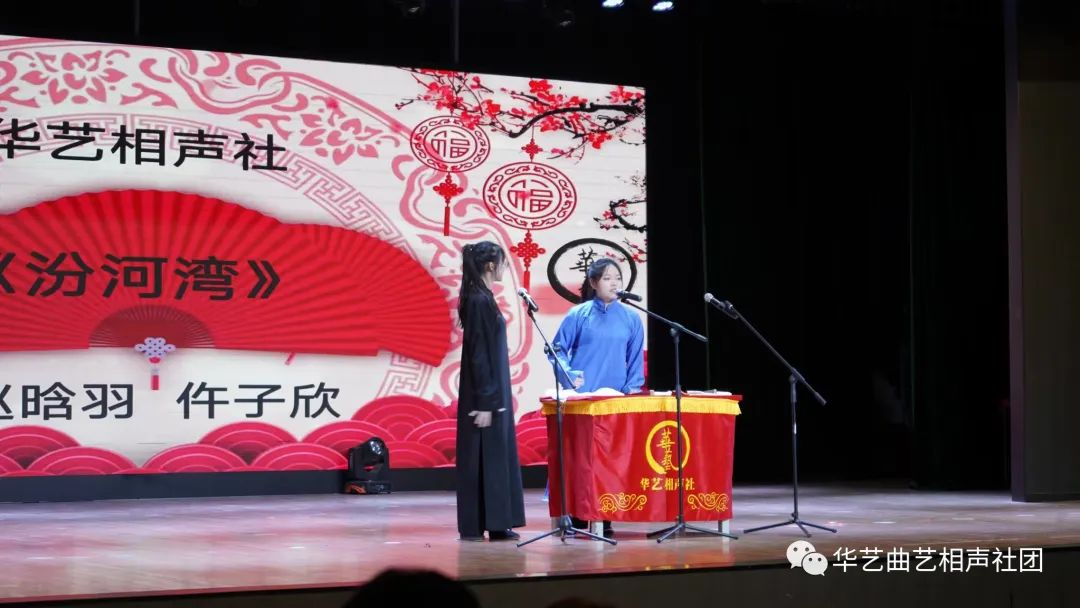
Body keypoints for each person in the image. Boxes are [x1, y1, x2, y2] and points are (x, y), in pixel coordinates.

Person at [549, 258, 645, 538]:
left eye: (618, 278)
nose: (614, 283)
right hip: (583, 400)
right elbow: (557, 350)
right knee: (581, 460)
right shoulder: (578, 315)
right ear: (593, 283)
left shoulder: (631, 318)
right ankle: (578, 514)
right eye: (607, 278)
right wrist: (568, 374)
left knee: (611, 460)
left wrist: (631, 390)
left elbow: (635, 360)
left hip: (614, 400)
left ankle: (606, 513)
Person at [455, 241, 526, 541]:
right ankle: (481, 524)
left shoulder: (483, 296)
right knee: (483, 457)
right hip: (483, 391)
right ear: (490, 266)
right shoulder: (478, 300)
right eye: (503, 263)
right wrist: (485, 400)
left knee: (494, 456)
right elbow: (478, 352)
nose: (505, 268)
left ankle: (495, 522)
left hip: (492, 387)